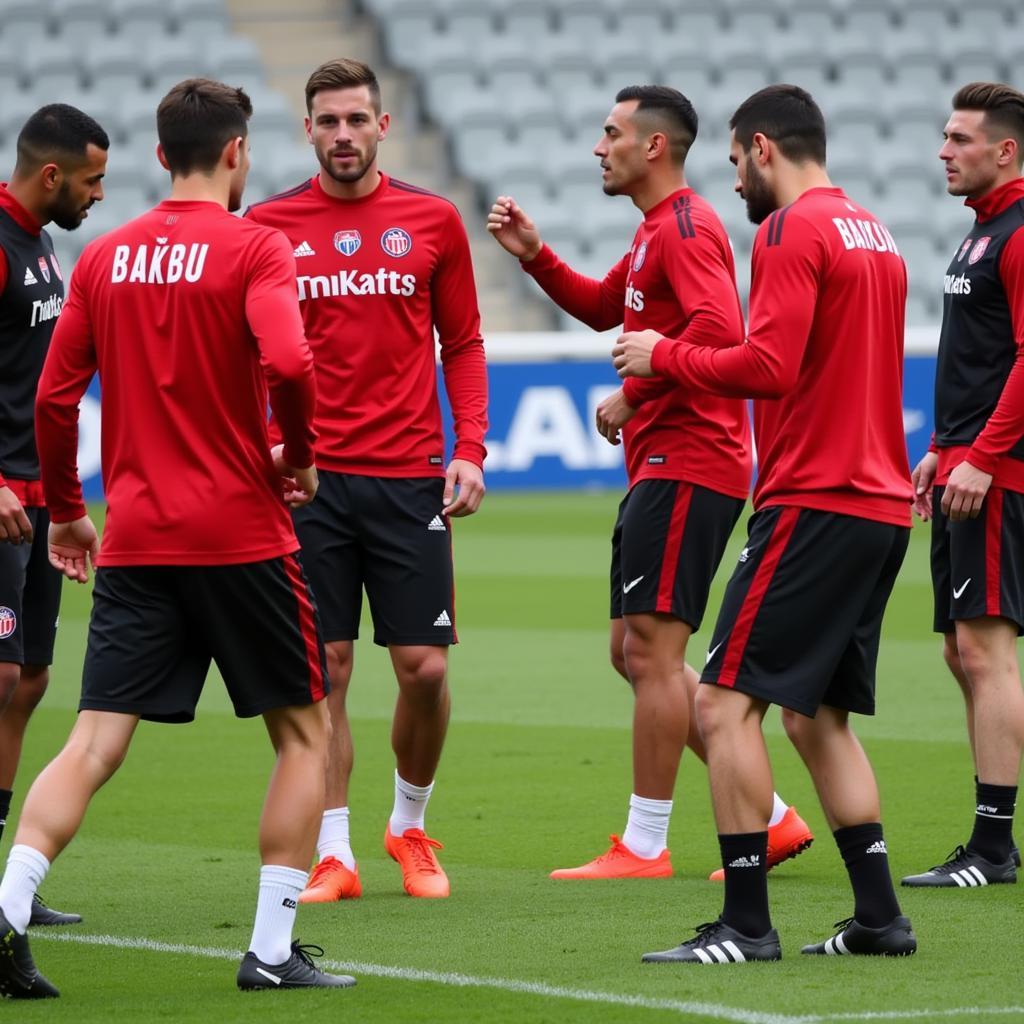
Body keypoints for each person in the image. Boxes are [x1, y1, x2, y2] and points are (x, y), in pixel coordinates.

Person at [0, 78, 355, 998]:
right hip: (242, 535)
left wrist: (67, 509)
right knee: (304, 736)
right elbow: (288, 360)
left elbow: (50, 397)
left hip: (135, 539)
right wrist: (302, 456)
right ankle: (272, 951)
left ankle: (4, 914)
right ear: (236, 153)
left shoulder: (104, 257)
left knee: (91, 743)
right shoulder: (256, 247)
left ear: (161, 157)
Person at [614, 84, 917, 962]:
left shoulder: (791, 229)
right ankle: (878, 918)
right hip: (879, 502)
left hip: (814, 496)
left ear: (758, 148)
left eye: (735, 163)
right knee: (817, 718)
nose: (734, 181)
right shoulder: (876, 231)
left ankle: (746, 924)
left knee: (720, 704)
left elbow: (770, 366)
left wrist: (660, 355)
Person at [488, 85, 812, 882]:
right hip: (665, 463)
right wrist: (535, 254)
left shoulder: (690, 228)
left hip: (690, 460)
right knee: (632, 653)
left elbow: (717, 332)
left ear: (654, 146)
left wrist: (636, 394)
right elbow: (606, 309)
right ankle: (770, 818)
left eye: (611, 133)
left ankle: (645, 844)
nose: (600, 148)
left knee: (655, 655)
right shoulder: (654, 233)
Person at [245, 59, 487, 902]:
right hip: (309, 481)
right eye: (327, 121)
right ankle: (334, 851)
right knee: (329, 666)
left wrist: (473, 448)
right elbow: (250, 355)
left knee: (423, 667)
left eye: (356, 120)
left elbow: (462, 342)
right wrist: (269, 448)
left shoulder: (433, 220)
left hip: (411, 475)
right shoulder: (268, 225)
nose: (342, 135)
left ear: (383, 126)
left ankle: (409, 825)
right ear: (307, 129)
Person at [902, 81, 1024, 890]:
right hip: (967, 467)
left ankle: (992, 847)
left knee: (983, 653)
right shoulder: (979, 234)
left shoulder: (1017, 234)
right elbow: (976, 362)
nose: (944, 151)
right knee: (962, 649)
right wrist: (944, 449)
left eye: (959, 139)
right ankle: (992, 837)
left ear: (1004, 150)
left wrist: (982, 455)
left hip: (999, 476)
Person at [0, 103, 108, 929]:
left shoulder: (41, 245)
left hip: (38, 504)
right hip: (2, 499)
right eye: (91, 180)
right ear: (51, 175)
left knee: (29, 681)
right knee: (1, 676)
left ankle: (10, 888)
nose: (97, 195)